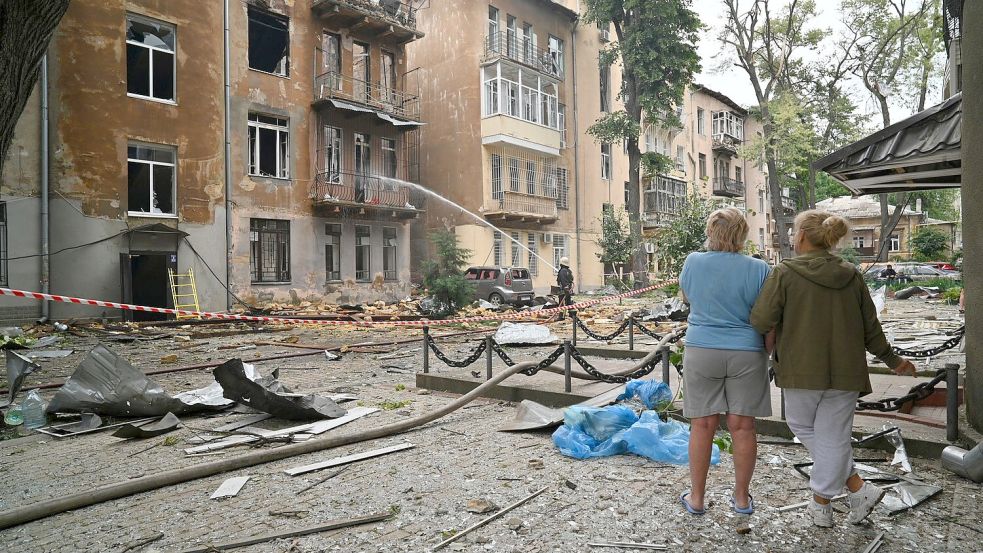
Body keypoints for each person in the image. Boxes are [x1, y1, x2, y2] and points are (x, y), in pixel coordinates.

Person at [750, 210, 916, 528]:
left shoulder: (785, 272)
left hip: (801, 369)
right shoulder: (851, 274)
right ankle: (856, 488)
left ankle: (822, 502)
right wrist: (893, 361)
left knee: (803, 427)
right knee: (834, 436)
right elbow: (871, 327)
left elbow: (761, 320)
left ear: (800, 236)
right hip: (846, 371)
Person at [679, 207, 771, 516]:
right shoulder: (760, 269)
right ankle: (742, 499)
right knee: (743, 426)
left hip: (702, 347)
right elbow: (767, 315)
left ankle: (697, 498)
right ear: (743, 235)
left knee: (702, 424)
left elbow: (688, 298)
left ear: (711, 233)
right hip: (747, 350)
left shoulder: (693, 262)